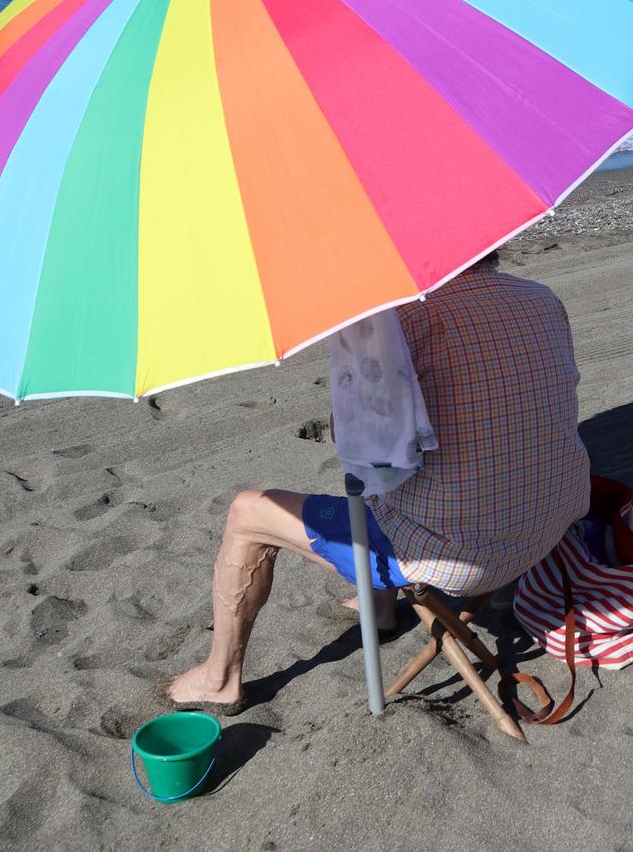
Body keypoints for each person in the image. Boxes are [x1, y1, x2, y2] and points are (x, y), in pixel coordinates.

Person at [167, 258, 591, 713]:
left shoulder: (399, 322)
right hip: (551, 521)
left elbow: (358, 445)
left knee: (248, 512)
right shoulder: (541, 299)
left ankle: (220, 678)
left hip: (465, 558)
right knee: (413, 469)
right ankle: (382, 607)